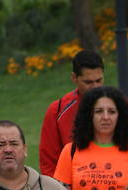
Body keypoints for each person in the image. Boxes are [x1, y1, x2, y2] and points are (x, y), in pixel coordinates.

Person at [38, 50, 104, 178]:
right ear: (74, 78)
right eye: (88, 82)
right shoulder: (57, 111)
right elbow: (48, 164)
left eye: (99, 80)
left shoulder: (119, 107)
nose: (95, 87)